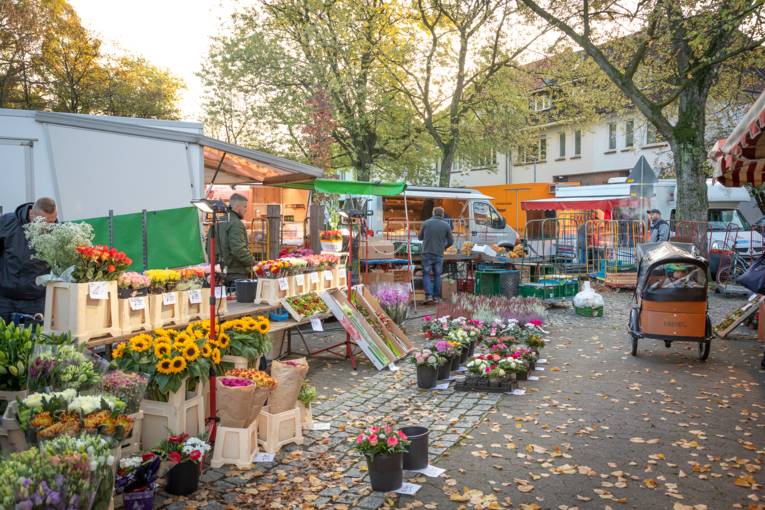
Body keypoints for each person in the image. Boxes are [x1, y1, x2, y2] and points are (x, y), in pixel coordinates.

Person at [0, 198, 58, 322]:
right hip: (5, 299)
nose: (48, 227)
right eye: (44, 222)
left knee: (33, 339)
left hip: (35, 302)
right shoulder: (7, 223)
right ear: (32, 214)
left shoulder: (59, 232)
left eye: (52, 222)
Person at [214, 193, 255, 286]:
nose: (246, 210)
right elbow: (239, 250)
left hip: (218, 272)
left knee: (223, 300)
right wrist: (254, 263)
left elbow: (208, 247)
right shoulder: (236, 223)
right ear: (238, 207)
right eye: (245, 207)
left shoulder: (217, 221)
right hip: (235, 273)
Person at [418, 206, 453, 304]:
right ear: (442, 214)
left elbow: (420, 237)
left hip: (427, 253)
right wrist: (444, 247)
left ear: (433, 213)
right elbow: (451, 241)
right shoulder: (446, 225)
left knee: (426, 274)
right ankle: (436, 297)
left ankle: (428, 296)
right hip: (439, 254)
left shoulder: (426, 223)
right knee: (437, 275)